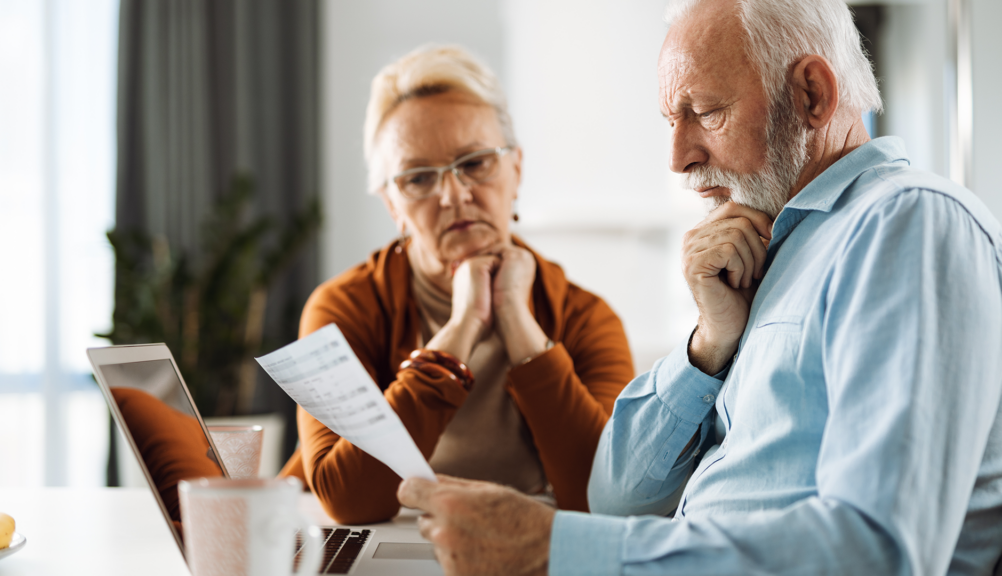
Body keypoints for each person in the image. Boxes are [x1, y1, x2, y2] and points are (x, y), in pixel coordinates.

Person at [396, 0, 1002, 574]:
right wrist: (709, 343)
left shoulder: (909, 224)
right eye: (670, 120)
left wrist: (557, 553)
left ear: (812, 95)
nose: (678, 157)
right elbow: (615, 498)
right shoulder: (766, 248)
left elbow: (880, 553)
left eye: (706, 112)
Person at [279, 45, 635, 525]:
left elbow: (605, 499)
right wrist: (463, 326)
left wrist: (515, 319)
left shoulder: (585, 316)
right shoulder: (342, 307)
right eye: (419, 177)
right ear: (392, 205)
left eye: (474, 163)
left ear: (517, 169)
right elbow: (351, 502)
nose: (454, 195)